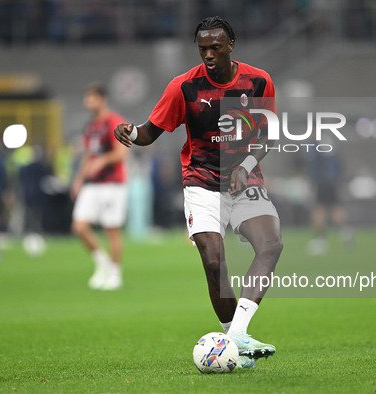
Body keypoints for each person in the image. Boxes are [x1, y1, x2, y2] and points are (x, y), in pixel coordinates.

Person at [114, 16, 283, 368]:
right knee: (213, 260)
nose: (208, 55)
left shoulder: (258, 81)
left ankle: (236, 335)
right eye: (203, 48)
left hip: (244, 179)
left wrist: (246, 167)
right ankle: (234, 338)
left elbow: (268, 136)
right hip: (202, 181)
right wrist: (130, 132)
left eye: (215, 48)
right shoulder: (183, 87)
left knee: (271, 245)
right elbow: (150, 132)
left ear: (230, 46)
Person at [71, 83, 129, 291]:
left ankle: (115, 273)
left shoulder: (115, 122)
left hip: (112, 184)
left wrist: (102, 161)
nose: (88, 102)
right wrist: (78, 180)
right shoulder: (90, 126)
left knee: (111, 230)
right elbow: (88, 155)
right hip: (92, 184)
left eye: (92, 98)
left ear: (102, 99)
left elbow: (121, 153)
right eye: (87, 98)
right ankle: (103, 263)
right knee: (79, 226)